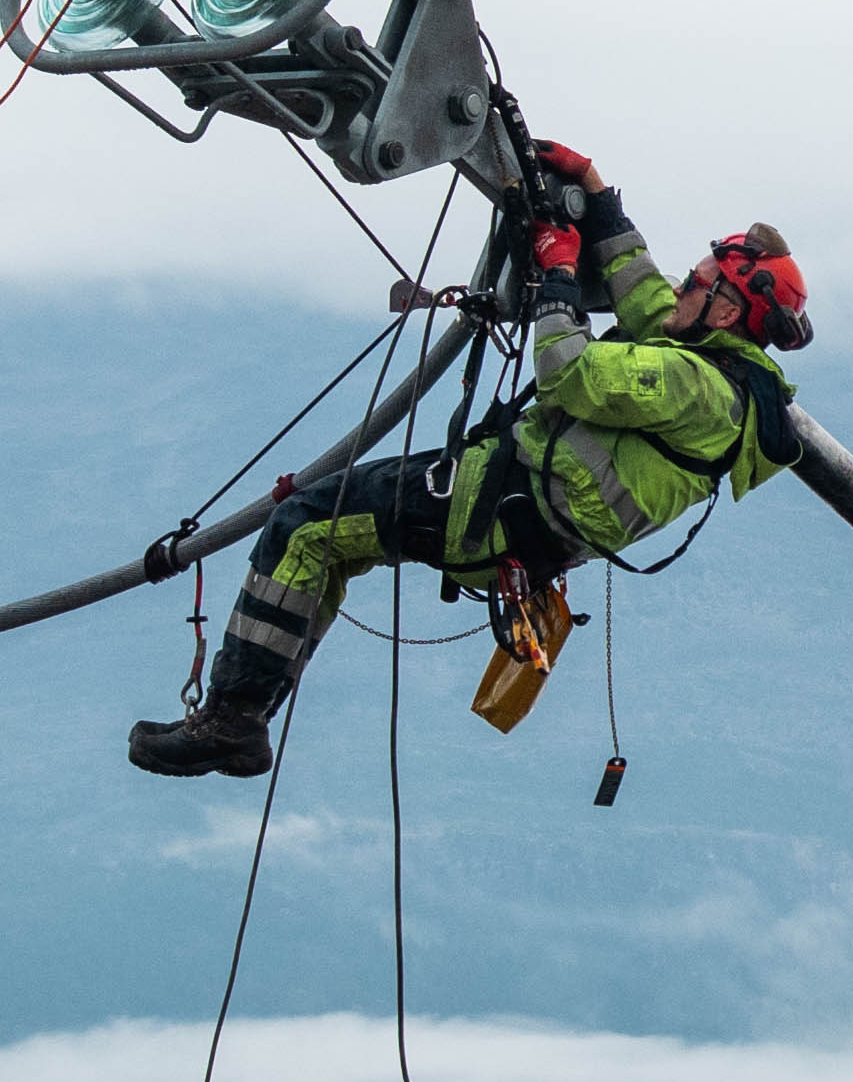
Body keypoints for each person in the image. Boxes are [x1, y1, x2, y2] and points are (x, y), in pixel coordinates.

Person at [126, 155, 811, 779]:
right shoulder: (723, 370)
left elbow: (568, 373)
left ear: (727, 310)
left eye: (699, 280)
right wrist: (599, 198)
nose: (682, 284)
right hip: (514, 507)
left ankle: (232, 721)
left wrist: (560, 277)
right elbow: (648, 304)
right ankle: (242, 716)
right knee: (326, 542)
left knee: (304, 526)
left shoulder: (697, 388)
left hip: (496, 512)